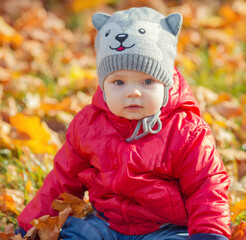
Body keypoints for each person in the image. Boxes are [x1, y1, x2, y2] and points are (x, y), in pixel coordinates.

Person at [17, 7, 231, 240]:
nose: (134, 93)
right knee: (76, 233)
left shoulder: (187, 132)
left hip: (164, 227)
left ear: (166, 84)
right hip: (105, 221)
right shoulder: (88, 125)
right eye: (119, 82)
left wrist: (209, 233)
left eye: (148, 81)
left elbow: (207, 187)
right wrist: (30, 226)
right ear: (103, 85)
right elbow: (62, 181)